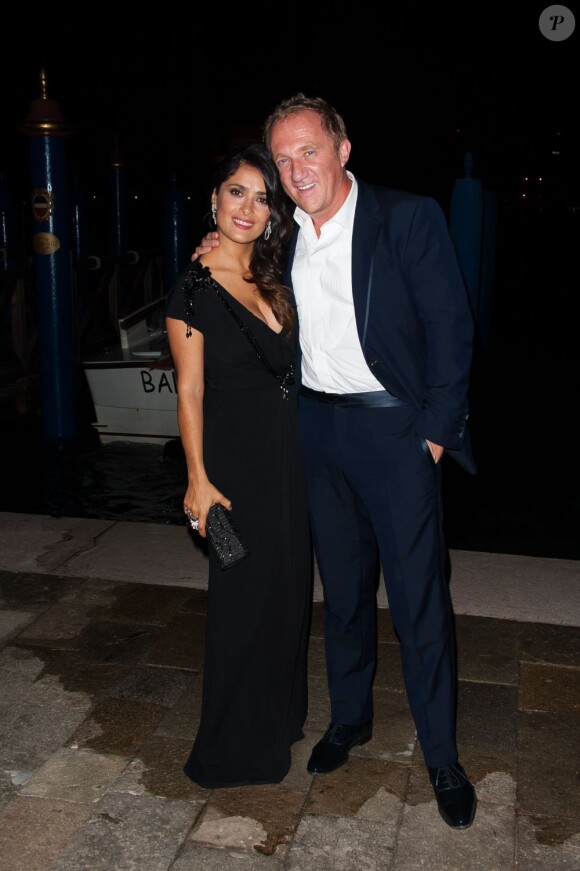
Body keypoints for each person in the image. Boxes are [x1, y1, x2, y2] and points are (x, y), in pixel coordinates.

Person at [192, 94, 477, 829]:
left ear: (342, 149)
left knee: (418, 600)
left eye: (307, 150)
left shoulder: (406, 217)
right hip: (315, 433)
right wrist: (210, 248)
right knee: (343, 593)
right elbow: (233, 268)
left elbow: (452, 326)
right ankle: (349, 718)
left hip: (393, 432)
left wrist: (435, 435)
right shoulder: (283, 236)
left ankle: (442, 754)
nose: (295, 169)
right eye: (282, 158)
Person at [166, 142, 312, 788]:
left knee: (285, 596)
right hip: (231, 470)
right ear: (214, 200)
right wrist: (198, 480)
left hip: (289, 464)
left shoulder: (276, 275)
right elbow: (189, 390)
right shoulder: (192, 288)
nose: (247, 207)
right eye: (236, 192)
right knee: (240, 603)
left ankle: (277, 718)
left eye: (261, 196)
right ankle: (229, 747)